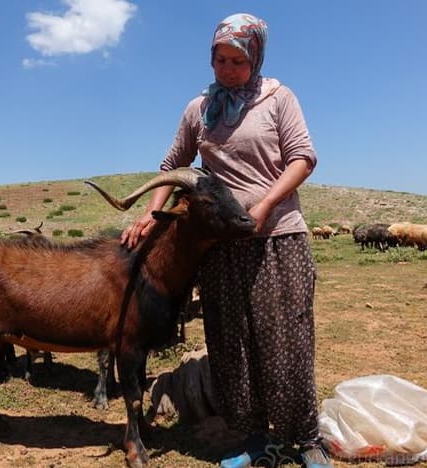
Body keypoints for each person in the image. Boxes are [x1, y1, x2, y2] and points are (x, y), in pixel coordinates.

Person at [121, 13, 331, 468]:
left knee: (288, 340)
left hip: (278, 238)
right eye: (220, 59)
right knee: (231, 342)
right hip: (219, 246)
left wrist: (264, 206)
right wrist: (149, 211)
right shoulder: (199, 109)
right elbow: (171, 164)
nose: (227, 69)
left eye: (237, 61)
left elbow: (303, 158)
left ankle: (305, 438)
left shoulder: (279, 99)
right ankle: (253, 438)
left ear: (255, 57)